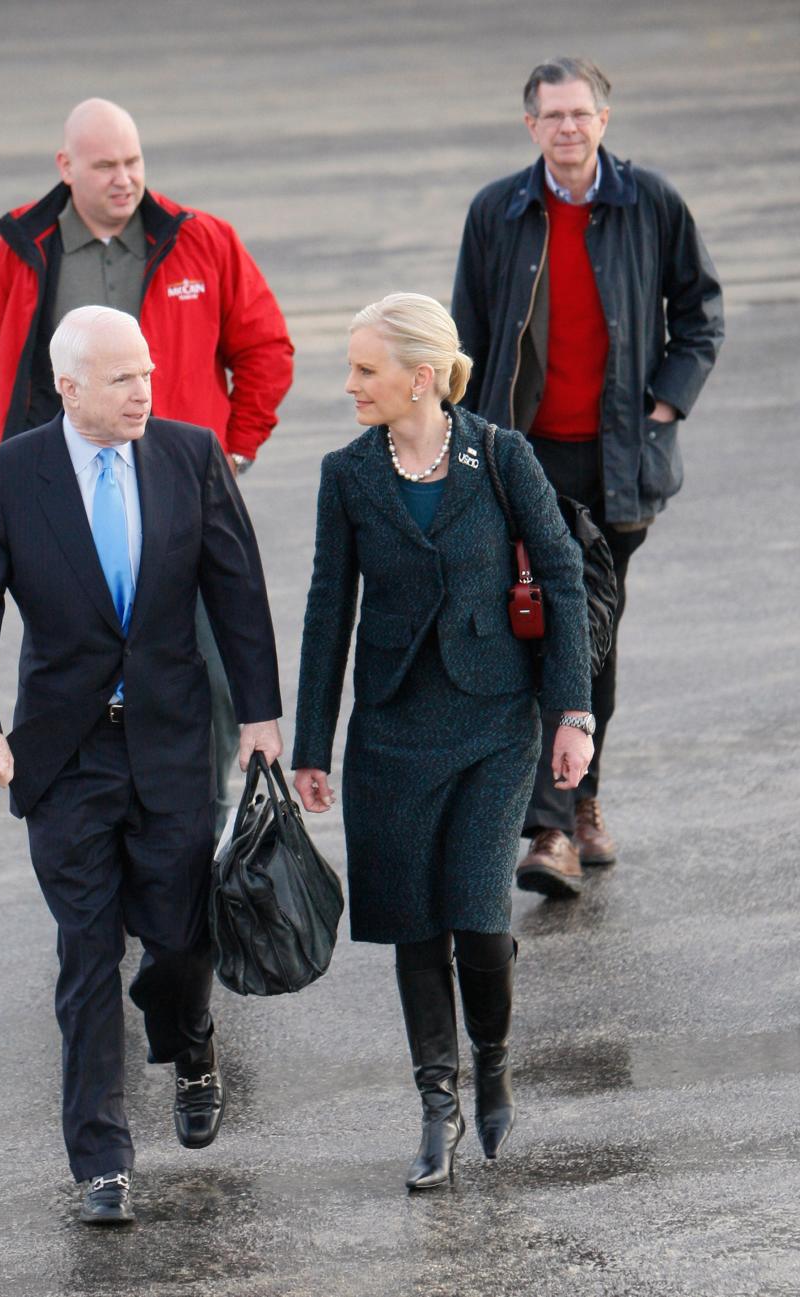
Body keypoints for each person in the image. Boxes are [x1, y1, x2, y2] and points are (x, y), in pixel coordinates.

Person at [0, 306, 283, 1225]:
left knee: (178, 934)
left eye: (148, 373)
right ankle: (101, 1161)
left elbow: (236, 583)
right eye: (123, 378)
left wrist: (260, 713)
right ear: (69, 387)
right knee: (87, 951)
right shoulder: (4, 478)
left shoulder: (189, 454)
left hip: (173, 737)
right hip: (63, 751)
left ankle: (191, 1037)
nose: (144, 390)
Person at [292, 294, 592, 1190]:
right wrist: (313, 744)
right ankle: (438, 1103)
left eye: (365, 369)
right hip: (390, 728)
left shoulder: (501, 457)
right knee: (414, 920)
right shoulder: (347, 475)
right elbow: (325, 612)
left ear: (421, 377)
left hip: (494, 722)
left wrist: (570, 713)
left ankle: (491, 1058)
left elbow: (565, 580)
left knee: (474, 911)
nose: (349, 384)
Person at [0, 97, 294, 837]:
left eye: (134, 161)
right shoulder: (19, 247)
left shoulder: (204, 243)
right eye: (105, 165)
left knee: (202, 657)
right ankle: (87, 822)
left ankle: (199, 819)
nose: (124, 178)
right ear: (66, 167)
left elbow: (265, 348)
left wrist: (233, 449)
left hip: (173, 489)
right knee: (71, 664)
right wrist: (3, 450)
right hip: (57, 495)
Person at [451, 57, 723, 898]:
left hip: (616, 463)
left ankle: (569, 814)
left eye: (581, 113)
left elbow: (701, 312)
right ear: (530, 126)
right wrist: (461, 445)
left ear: (605, 118)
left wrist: (663, 413)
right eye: (552, 116)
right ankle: (559, 822)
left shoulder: (651, 204)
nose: (568, 128)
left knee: (587, 639)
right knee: (536, 629)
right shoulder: (497, 211)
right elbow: (463, 332)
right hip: (522, 458)